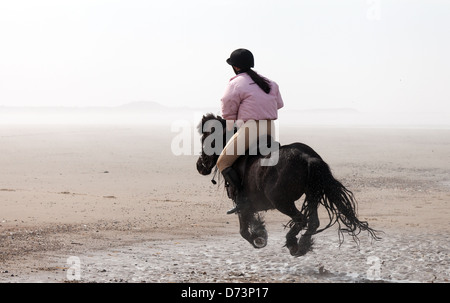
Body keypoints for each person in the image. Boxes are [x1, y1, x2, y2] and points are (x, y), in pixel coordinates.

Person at [217, 49, 284, 214]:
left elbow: (226, 107)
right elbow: (279, 104)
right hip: (270, 128)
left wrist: (232, 121)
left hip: (251, 129)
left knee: (222, 163)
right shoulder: (270, 83)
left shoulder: (235, 83)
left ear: (235, 67)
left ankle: (242, 199)